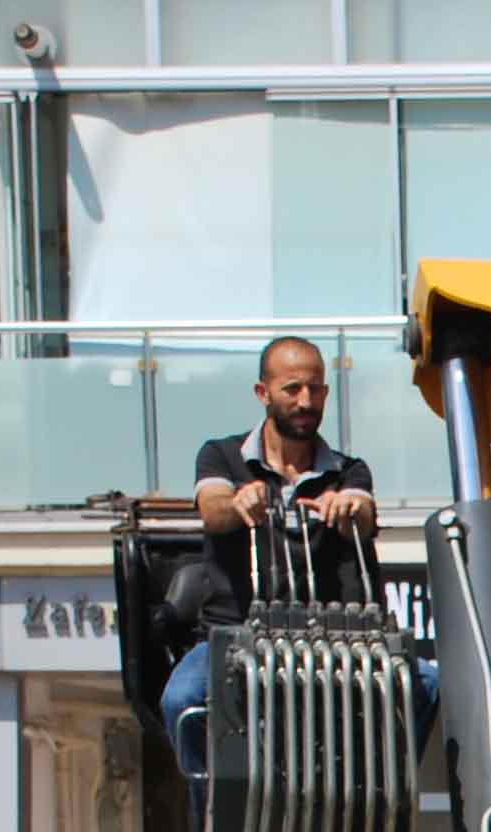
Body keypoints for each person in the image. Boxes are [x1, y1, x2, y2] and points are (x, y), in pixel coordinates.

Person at [156, 335, 422, 802]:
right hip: (234, 637)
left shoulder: (348, 469)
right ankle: (214, 820)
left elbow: (363, 512)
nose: (306, 401)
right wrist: (239, 502)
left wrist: (347, 507)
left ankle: (377, 804)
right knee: (181, 700)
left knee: (426, 684)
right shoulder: (222, 455)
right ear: (263, 393)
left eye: (316, 389)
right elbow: (212, 509)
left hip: (330, 643)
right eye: (293, 389)